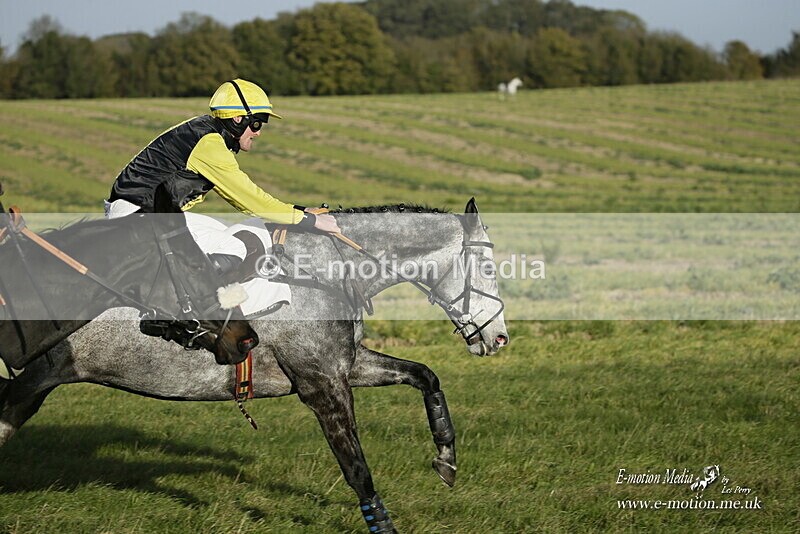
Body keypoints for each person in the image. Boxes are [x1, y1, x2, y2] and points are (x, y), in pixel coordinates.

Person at [105, 78, 340, 236]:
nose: (258, 132)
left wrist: (299, 210)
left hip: (142, 213)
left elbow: (245, 199)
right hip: (140, 218)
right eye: (257, 123)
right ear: (238, 119)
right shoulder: (209, 143)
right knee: (234, 246)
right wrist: (310, 221)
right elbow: (251, 201)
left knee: (229, 232)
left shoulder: (204, 129)